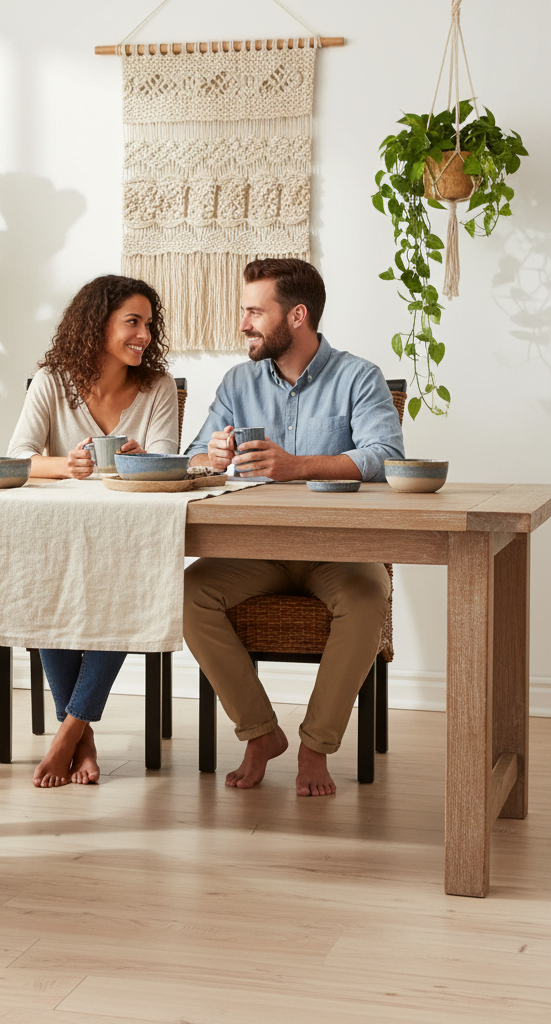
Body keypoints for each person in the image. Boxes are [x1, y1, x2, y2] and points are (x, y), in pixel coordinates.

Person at [184, 258, 404, 797]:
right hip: (257, 551)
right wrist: (211, 456)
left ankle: (315, 746)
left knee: (369, 597)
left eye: (255, 312)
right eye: (244, 311)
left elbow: (386, 455)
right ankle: (260, 734)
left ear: (297, 315)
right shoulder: (239, 381)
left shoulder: (359, 376)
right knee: (187, 593)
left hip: (340, 551)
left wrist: (297, 464)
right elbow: (193, 457)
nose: (243, 324)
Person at [7, 274, 179, 788]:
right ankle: (81, 734)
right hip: (59, 538)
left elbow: (169, 462)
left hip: (129, 543)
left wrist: (142, 460)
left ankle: (67, 735)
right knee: (44, 591)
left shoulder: (158, 387)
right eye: (133, 322)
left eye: (149, 324)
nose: (144, 335)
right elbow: (16, 457)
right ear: (97, 325)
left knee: (126, 595)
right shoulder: (51, 383)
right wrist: (66, 465)